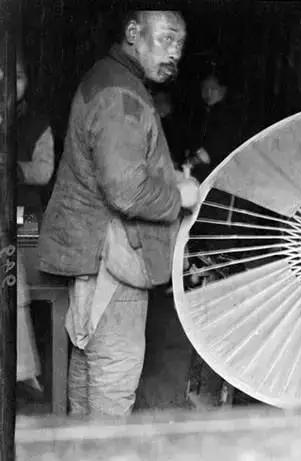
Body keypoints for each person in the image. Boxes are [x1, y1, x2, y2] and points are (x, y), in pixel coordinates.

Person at [38, 10, 200, 416]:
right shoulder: (121, 96)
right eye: (166, 38)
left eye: (180, 43)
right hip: (113, 257)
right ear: (133, 33)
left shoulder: (111, 80)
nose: (175, 52)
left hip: (94, 253)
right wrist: (179, 195)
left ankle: (80, 447)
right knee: (114, 375)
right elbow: (127, 192)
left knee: (89, 366)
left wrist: (163, 177)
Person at [15, 50, 55, 392]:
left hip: (23, 215)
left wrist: (13, 169)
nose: (10, 85)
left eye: (18, 77)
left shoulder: (38, 123)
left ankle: (29, 363)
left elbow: (43, 171)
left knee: (29, 281)